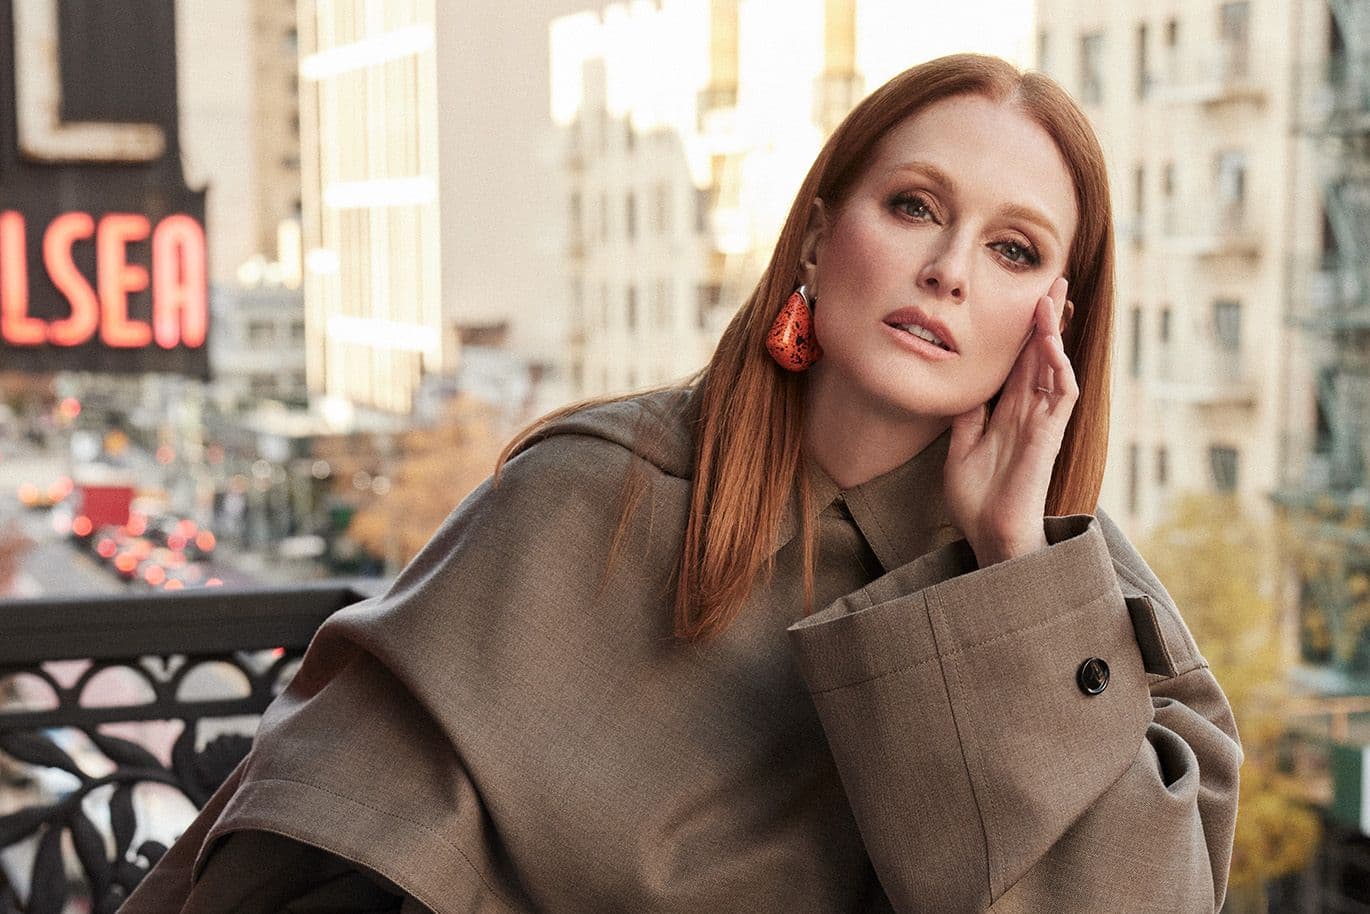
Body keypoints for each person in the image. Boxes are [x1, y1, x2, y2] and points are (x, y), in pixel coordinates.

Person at [121, 53, 1241, 913]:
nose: (947, 269)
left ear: (1055, 316)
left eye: (1012, 250)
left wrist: (1008, 569)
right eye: (912, 206)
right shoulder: (589, 495)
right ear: (815, 235)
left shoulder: (1086, 598)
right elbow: (320, 832)